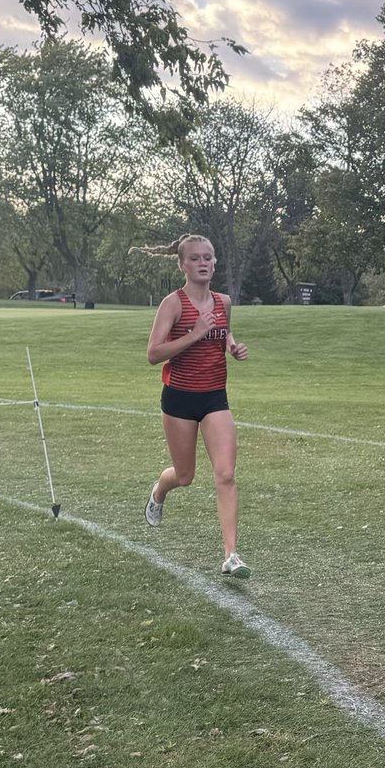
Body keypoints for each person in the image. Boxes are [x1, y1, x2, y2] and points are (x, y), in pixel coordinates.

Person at [139, 234, 251, 578]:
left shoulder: (224, 301)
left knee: (226, 474)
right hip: (179, 399)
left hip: (215, 396)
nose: (203, 263)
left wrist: (231, 346)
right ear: (182, 264)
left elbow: (224, 331)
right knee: (184, 476)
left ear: (215, 263)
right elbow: (153, 354)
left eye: (209, 258)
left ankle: (231, 555)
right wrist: (194, 334)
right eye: (196, 258)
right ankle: (159, 491)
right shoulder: (173, 304)